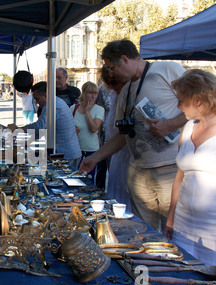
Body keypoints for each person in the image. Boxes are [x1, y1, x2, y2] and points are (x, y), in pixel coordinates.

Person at [79, 39, 186, 232]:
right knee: (143, 234)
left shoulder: (167, 70)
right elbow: (122, 135)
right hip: (139, 174)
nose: (111, 74)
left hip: (169, 170)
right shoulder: (126, 90)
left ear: (125, 59)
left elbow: (204, 103)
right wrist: (95, 158)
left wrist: (170, 124)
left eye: (111, 68)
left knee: (174, 233)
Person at [163, 69, 216, 265]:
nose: (178, 106)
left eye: (182, 101)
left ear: (199, 101)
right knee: (184, 273)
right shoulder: (187, 128)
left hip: (214, 228)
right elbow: (180, 176)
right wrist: (170, 218)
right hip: (183, 224)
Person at [8, 81, 81, 166]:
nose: (36, 102)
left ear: (46, 95)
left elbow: (40, 126)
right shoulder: (55, 102)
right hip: (67, 151)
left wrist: (18, 129)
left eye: (37, 99)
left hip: (67, 154)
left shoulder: (52, 105)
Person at [100, 65, 131, 208]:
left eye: (114, 83)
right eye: (109, 85)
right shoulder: (114, 94)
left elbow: (122, 135)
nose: (112, 88)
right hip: (116, 155)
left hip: (128, 157)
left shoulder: (130, 93)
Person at [70, 81, 104, 183]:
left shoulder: (99, 109)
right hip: (76, 150)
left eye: (95, 93)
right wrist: (72, 129)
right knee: (74, 179)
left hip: (92, 150)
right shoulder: (73, 108)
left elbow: (94, 128)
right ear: (84, 93)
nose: (93, 96)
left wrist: (87, 112)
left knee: (88, 180)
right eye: (90, 93)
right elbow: (67, 127)